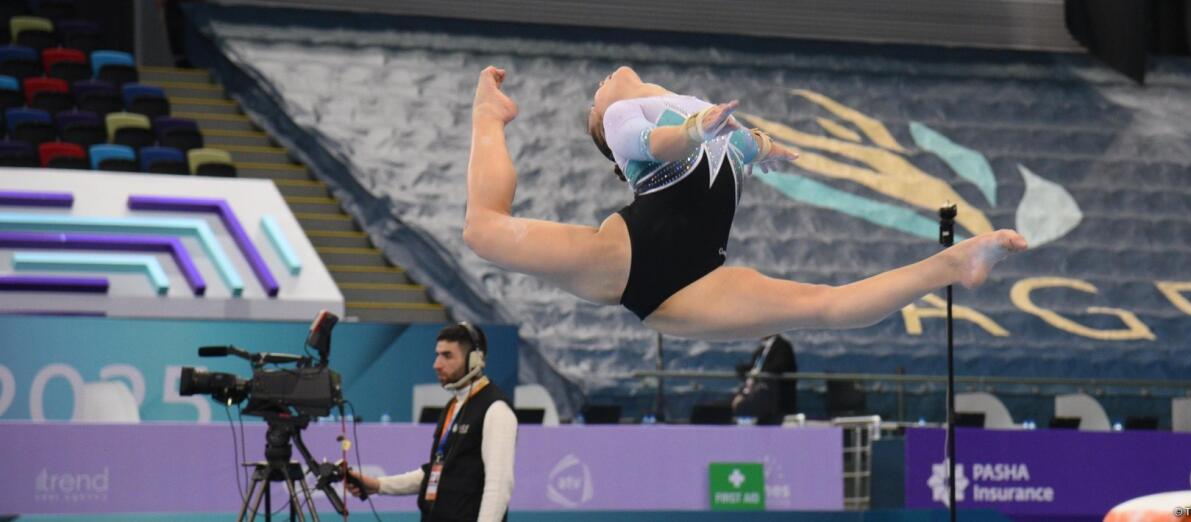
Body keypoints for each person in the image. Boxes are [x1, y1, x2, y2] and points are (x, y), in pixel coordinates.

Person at [464, 65, 1027, 341]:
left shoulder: (694, 108)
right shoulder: (622, 119)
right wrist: (693, 132)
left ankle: (953, 264)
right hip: (626, 255)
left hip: (696, 282)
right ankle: (489, 117)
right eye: (594, 99)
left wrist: (764, 146)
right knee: (484, 230)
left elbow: (743, 142)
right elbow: (656, 144)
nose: (601, 86)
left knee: (825, 308)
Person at [344, 323, 516, 522]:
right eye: (437, 355)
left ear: (474, 361)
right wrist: (378, 484)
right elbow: (436, 472)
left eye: (447, 355)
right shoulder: (454, 405)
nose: (437, 364)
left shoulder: (496, 410)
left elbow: (499, 486)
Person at [732, 334, 797, 424]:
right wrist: (743, 370)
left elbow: (779, 366)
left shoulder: (782, 346)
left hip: (774, 397)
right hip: (755, 393)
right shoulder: (761, 350)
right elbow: (754, 367)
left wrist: (758, 373)